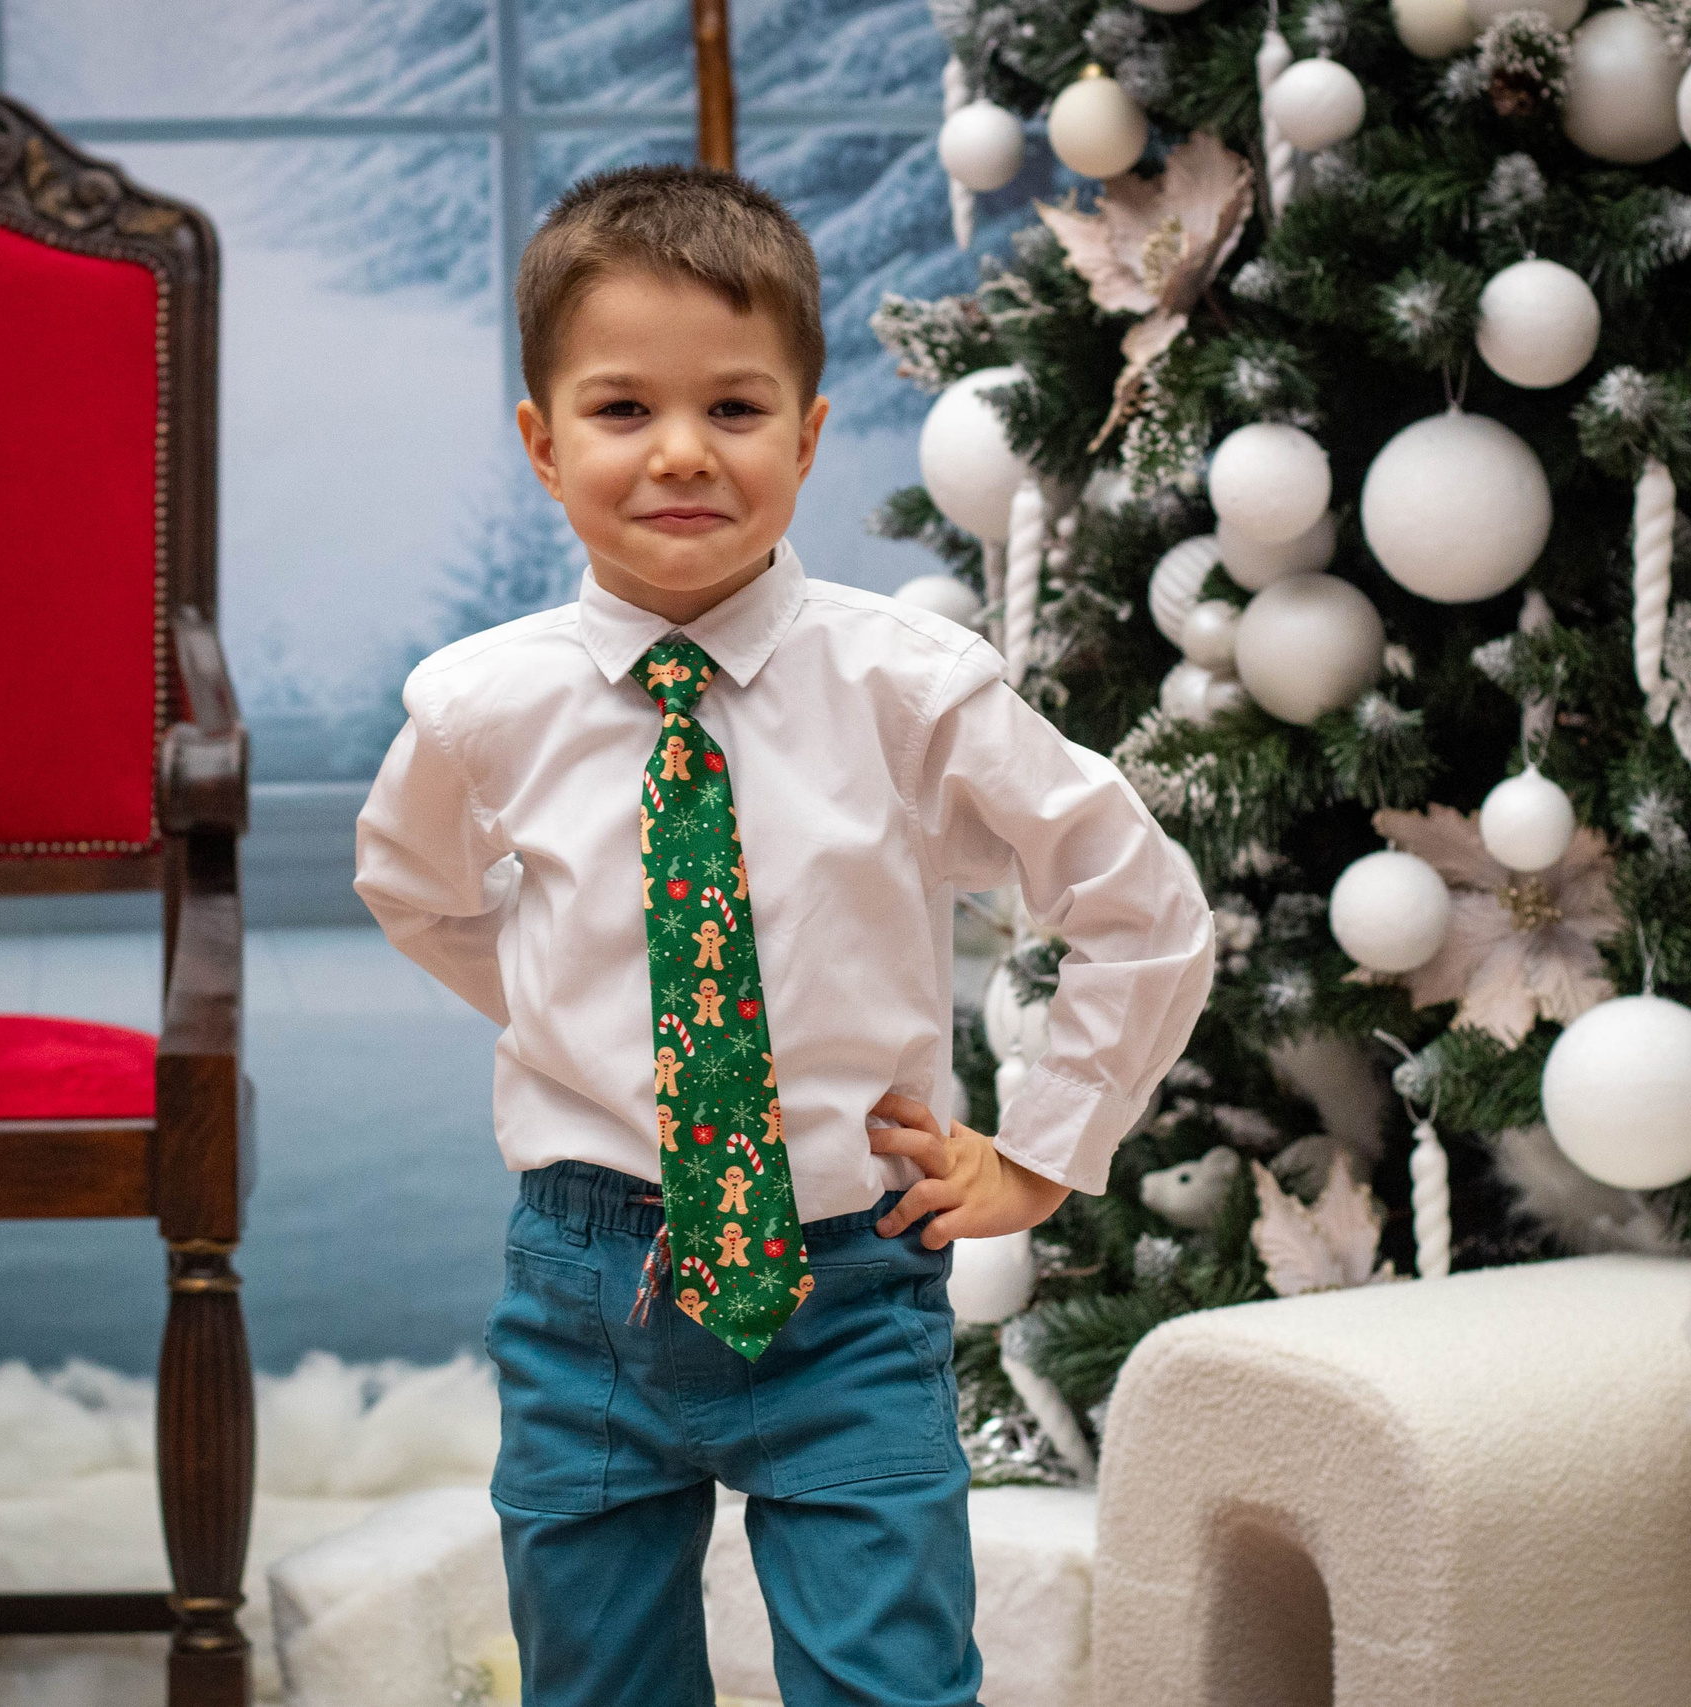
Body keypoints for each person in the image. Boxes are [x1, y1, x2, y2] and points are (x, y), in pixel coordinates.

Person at [352, 162, 1213, 1707]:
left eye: (735, 410)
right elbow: (416, 891)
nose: (682, 452)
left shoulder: (908, 687)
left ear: (809, 439)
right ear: (545, 447)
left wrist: (1039, 1149)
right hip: (587, 1292)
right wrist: (572, 1016)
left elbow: (1139, 902)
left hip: (849, 1284)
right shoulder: (479, 708)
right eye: (623, 411)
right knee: (596, 1682)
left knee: (888, 1680)